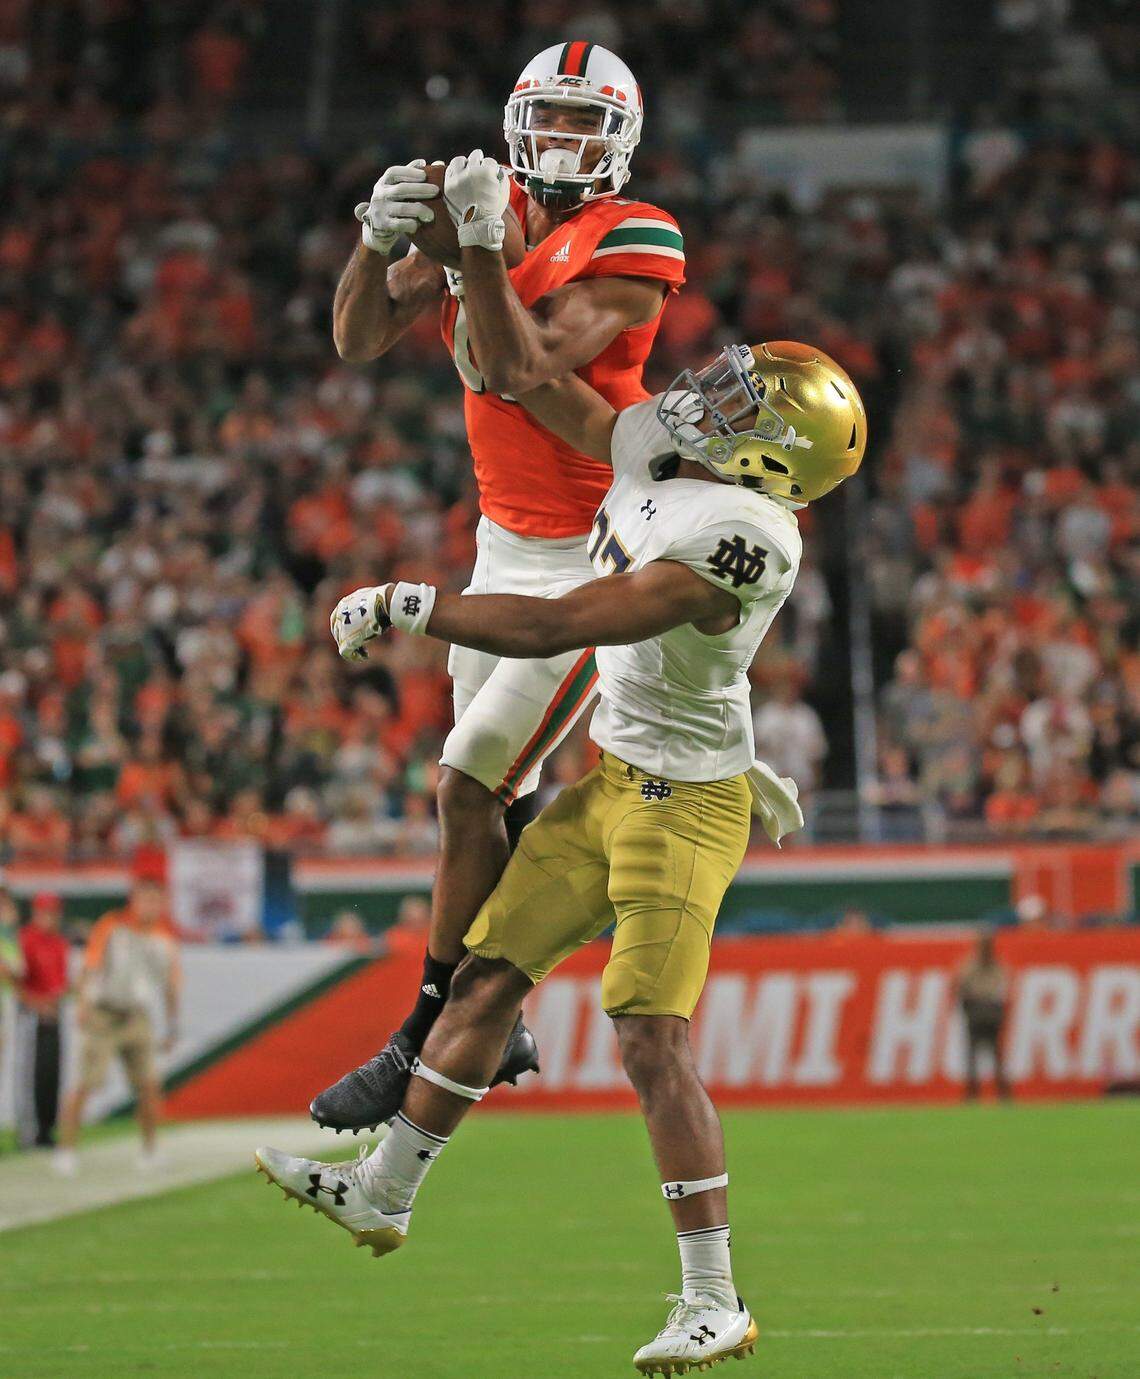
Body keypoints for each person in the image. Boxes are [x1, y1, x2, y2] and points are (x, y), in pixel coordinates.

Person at [257, 337, 867, 1374]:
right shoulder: (679, 461)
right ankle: (384, 1190)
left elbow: (564, 621)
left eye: (743, 401)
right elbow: (552, 394)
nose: (711, 397)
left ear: (775, 459)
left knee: (646, 1036)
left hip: (687, 806)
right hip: (615, 782)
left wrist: (419, 604)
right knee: (485, 978)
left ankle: (715, 1298)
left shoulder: (747, 537)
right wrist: (474, 287)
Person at [317, 42, 687, 1131]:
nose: (564, 143)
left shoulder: (636, 232)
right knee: (498, 796)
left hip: (594, 551)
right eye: (551, 118)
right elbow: (357, 337)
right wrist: (374, 238)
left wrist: (475, 244)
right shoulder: (484, 203)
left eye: (586, 123)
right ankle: (503, 1007)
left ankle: (424, 1028)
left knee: (468, 782)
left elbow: (519, 363)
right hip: (501, 539)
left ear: (619, 138)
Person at [55, 868, 181, 1175]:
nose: (150, 906)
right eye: (145, 900)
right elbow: (90, 965)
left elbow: (171, 985)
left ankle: (150, 1150)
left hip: (137, 1017)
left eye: (156, 901)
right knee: (86, 1082)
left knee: (149, 1085)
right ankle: (66, 1149)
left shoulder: (165, 940)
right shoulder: (112, 926)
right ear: (134, 901)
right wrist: (83, 1003)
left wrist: (171, 1024)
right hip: (104, 1014)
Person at [15, 892, 70, 1148]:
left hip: (53, 1016)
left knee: (52, 1075)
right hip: (31, 1017)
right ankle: (28, 1131)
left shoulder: (59, 944)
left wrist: (56, 1002)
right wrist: (38, 1004)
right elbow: (16, 982)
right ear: (36, 913)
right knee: (31, 1075)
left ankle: (47, 1130)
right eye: (45, 912)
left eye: (53, 912)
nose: (50, 917)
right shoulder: (25, 940)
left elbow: (60, 984)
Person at [956, 928, 1012, 1101]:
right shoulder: (995, 966)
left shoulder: (971, 966)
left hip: (979, 1013)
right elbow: (1002, 989)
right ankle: (1000, 1093)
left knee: (979, 1055)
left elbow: (961, 988)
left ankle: (976, 1094)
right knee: (990, 1055)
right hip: (988, 1013)